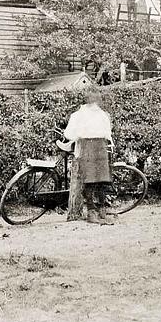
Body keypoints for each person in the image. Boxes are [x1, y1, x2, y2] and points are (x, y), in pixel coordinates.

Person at [64, 89, 114, 225]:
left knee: (102, 180)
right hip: (87, 146)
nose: (95, 106)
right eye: (93, 102)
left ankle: (102, 210)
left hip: (101, 147)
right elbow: (69, 134)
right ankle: (91, 211)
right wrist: (79, 136)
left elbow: (107, 132)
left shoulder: (102, 115)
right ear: (88, 102)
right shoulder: (78, 115)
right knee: (90, 180)